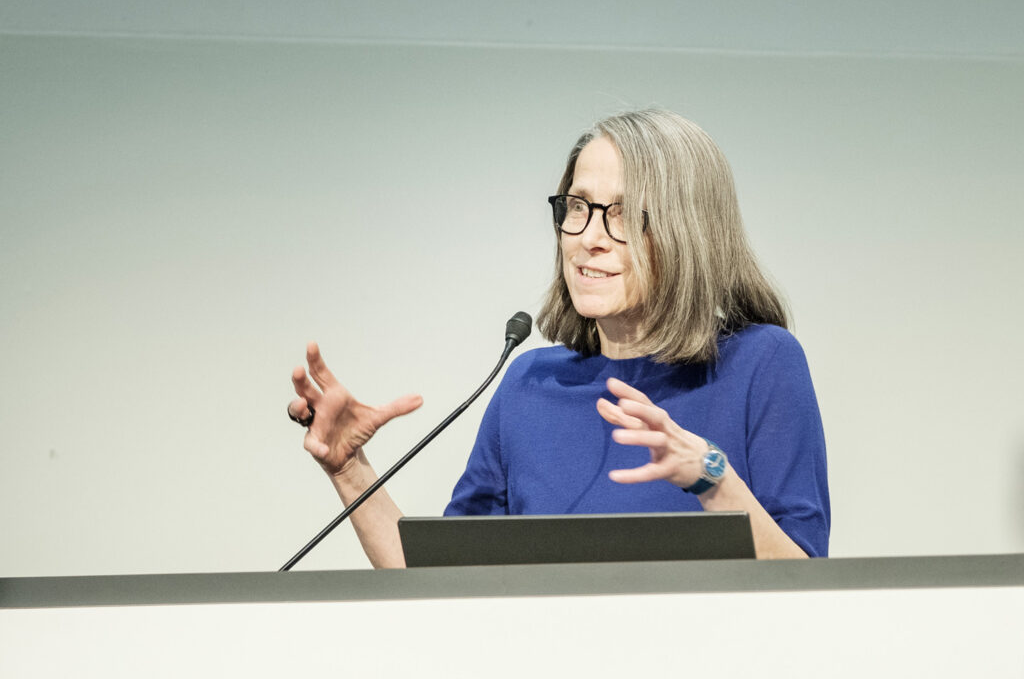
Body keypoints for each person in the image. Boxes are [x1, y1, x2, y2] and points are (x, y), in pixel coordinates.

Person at [287, 109, 829, 566]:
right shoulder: (530, 382)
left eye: (622, 215)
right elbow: (438, 584)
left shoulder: (760, 363)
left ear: (688, 230)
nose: (589, 239)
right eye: (577, 207)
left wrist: (710, 477)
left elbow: (810, 587)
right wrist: (349, 471)